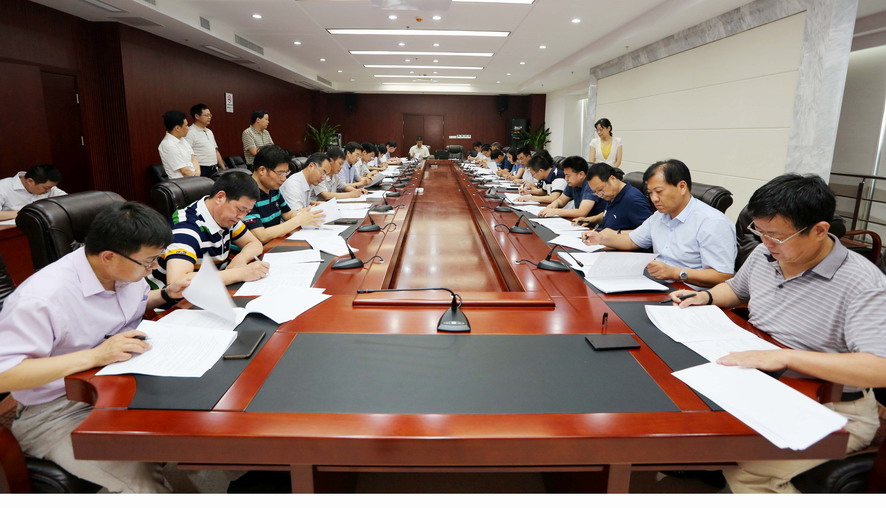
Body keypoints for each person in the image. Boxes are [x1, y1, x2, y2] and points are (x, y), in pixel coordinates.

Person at [667, 174, 886, 493]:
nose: (766, 243)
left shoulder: (862, 283)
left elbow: (879, 368)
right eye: (760, 231)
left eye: (777, 236)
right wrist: (707, 296)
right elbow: (737, 289)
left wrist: (784, 357)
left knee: (746, 469)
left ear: (819, 230)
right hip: (764, 386)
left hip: (833, 407)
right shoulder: (765, 254)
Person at [0, 202, 192, 492]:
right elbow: (6, 374)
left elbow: (132, 306)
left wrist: (166, 294)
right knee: (140, 483)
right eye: (149, 262)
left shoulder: (122, 272)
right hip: (57, 410)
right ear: (109, 256)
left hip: (119, 383)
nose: (153, 268)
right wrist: (96, 355)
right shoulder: (41, 299)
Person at [582, 159, 736, 288]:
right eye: (650, 193)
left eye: (659, 191)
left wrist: (676, 273)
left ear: (682, 187)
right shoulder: (660, 216)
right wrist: (601, 238)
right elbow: (632, 241)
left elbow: (723, 276)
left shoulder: (712, 222)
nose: (654, 199)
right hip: (657, 284)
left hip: (690, 294)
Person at [147, 171, 269, 289]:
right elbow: (177, 282)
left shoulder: (226, 216)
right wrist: (240, 273)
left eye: (247, 211)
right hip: (174, 300)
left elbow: (254, 243)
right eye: (240, 209)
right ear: (220, 197)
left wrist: (239, 260)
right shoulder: (186, 229)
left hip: (211, 287)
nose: (242, 217)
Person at [243, 145, 324, 244]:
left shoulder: (273, 188)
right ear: (262, 170)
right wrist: (298, 220)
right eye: (280, 173)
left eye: (286, 173)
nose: (284, 178)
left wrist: (304, 212)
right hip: (257, 249)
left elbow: (286, 214)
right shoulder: (245, 193)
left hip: (275, 242)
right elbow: (261, 236)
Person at [581, 162, 654, 229]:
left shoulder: (632, 199)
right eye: (595, 192)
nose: (599, 195)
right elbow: (609, 215)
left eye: (600, 190)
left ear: (612, 179)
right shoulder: (612, 195)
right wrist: (590, 219)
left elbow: (648, 231)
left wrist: (616, 234)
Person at [537, 156, 605, 220]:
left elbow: (582, 212)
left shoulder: (590, 185)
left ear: (581, 175)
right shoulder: (572, 183)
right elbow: (561, 200)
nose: (566, 179)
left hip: (595, 225)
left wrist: (555, 211)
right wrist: (554, 204)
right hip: (581, 222)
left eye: (568, 176)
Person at [0, 164, 67, 221]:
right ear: (30, 181)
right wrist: (28, 213)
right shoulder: (3, 187)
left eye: (51, 188)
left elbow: (66, 202)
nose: (49, 191)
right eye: (47, 188)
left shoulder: (47, 186)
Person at [185, 103, 226, 178]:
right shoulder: (190, 132)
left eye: (210, 115)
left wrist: (223, 168)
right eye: (206, 115)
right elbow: (187, 154)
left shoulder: (209, 131)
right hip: (200, 169)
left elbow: (215, 151)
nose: (209, 117)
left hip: (214, 168)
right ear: (197, 116)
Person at [158, 110, 199, 179]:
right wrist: (197, 179)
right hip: (181, 183)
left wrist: (197, 173)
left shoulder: (182, 139)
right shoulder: (168, 145)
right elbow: (184, 171)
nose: (188, 128)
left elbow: (193, 158)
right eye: (186, 125)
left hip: (194, 179)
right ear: (177, 128)